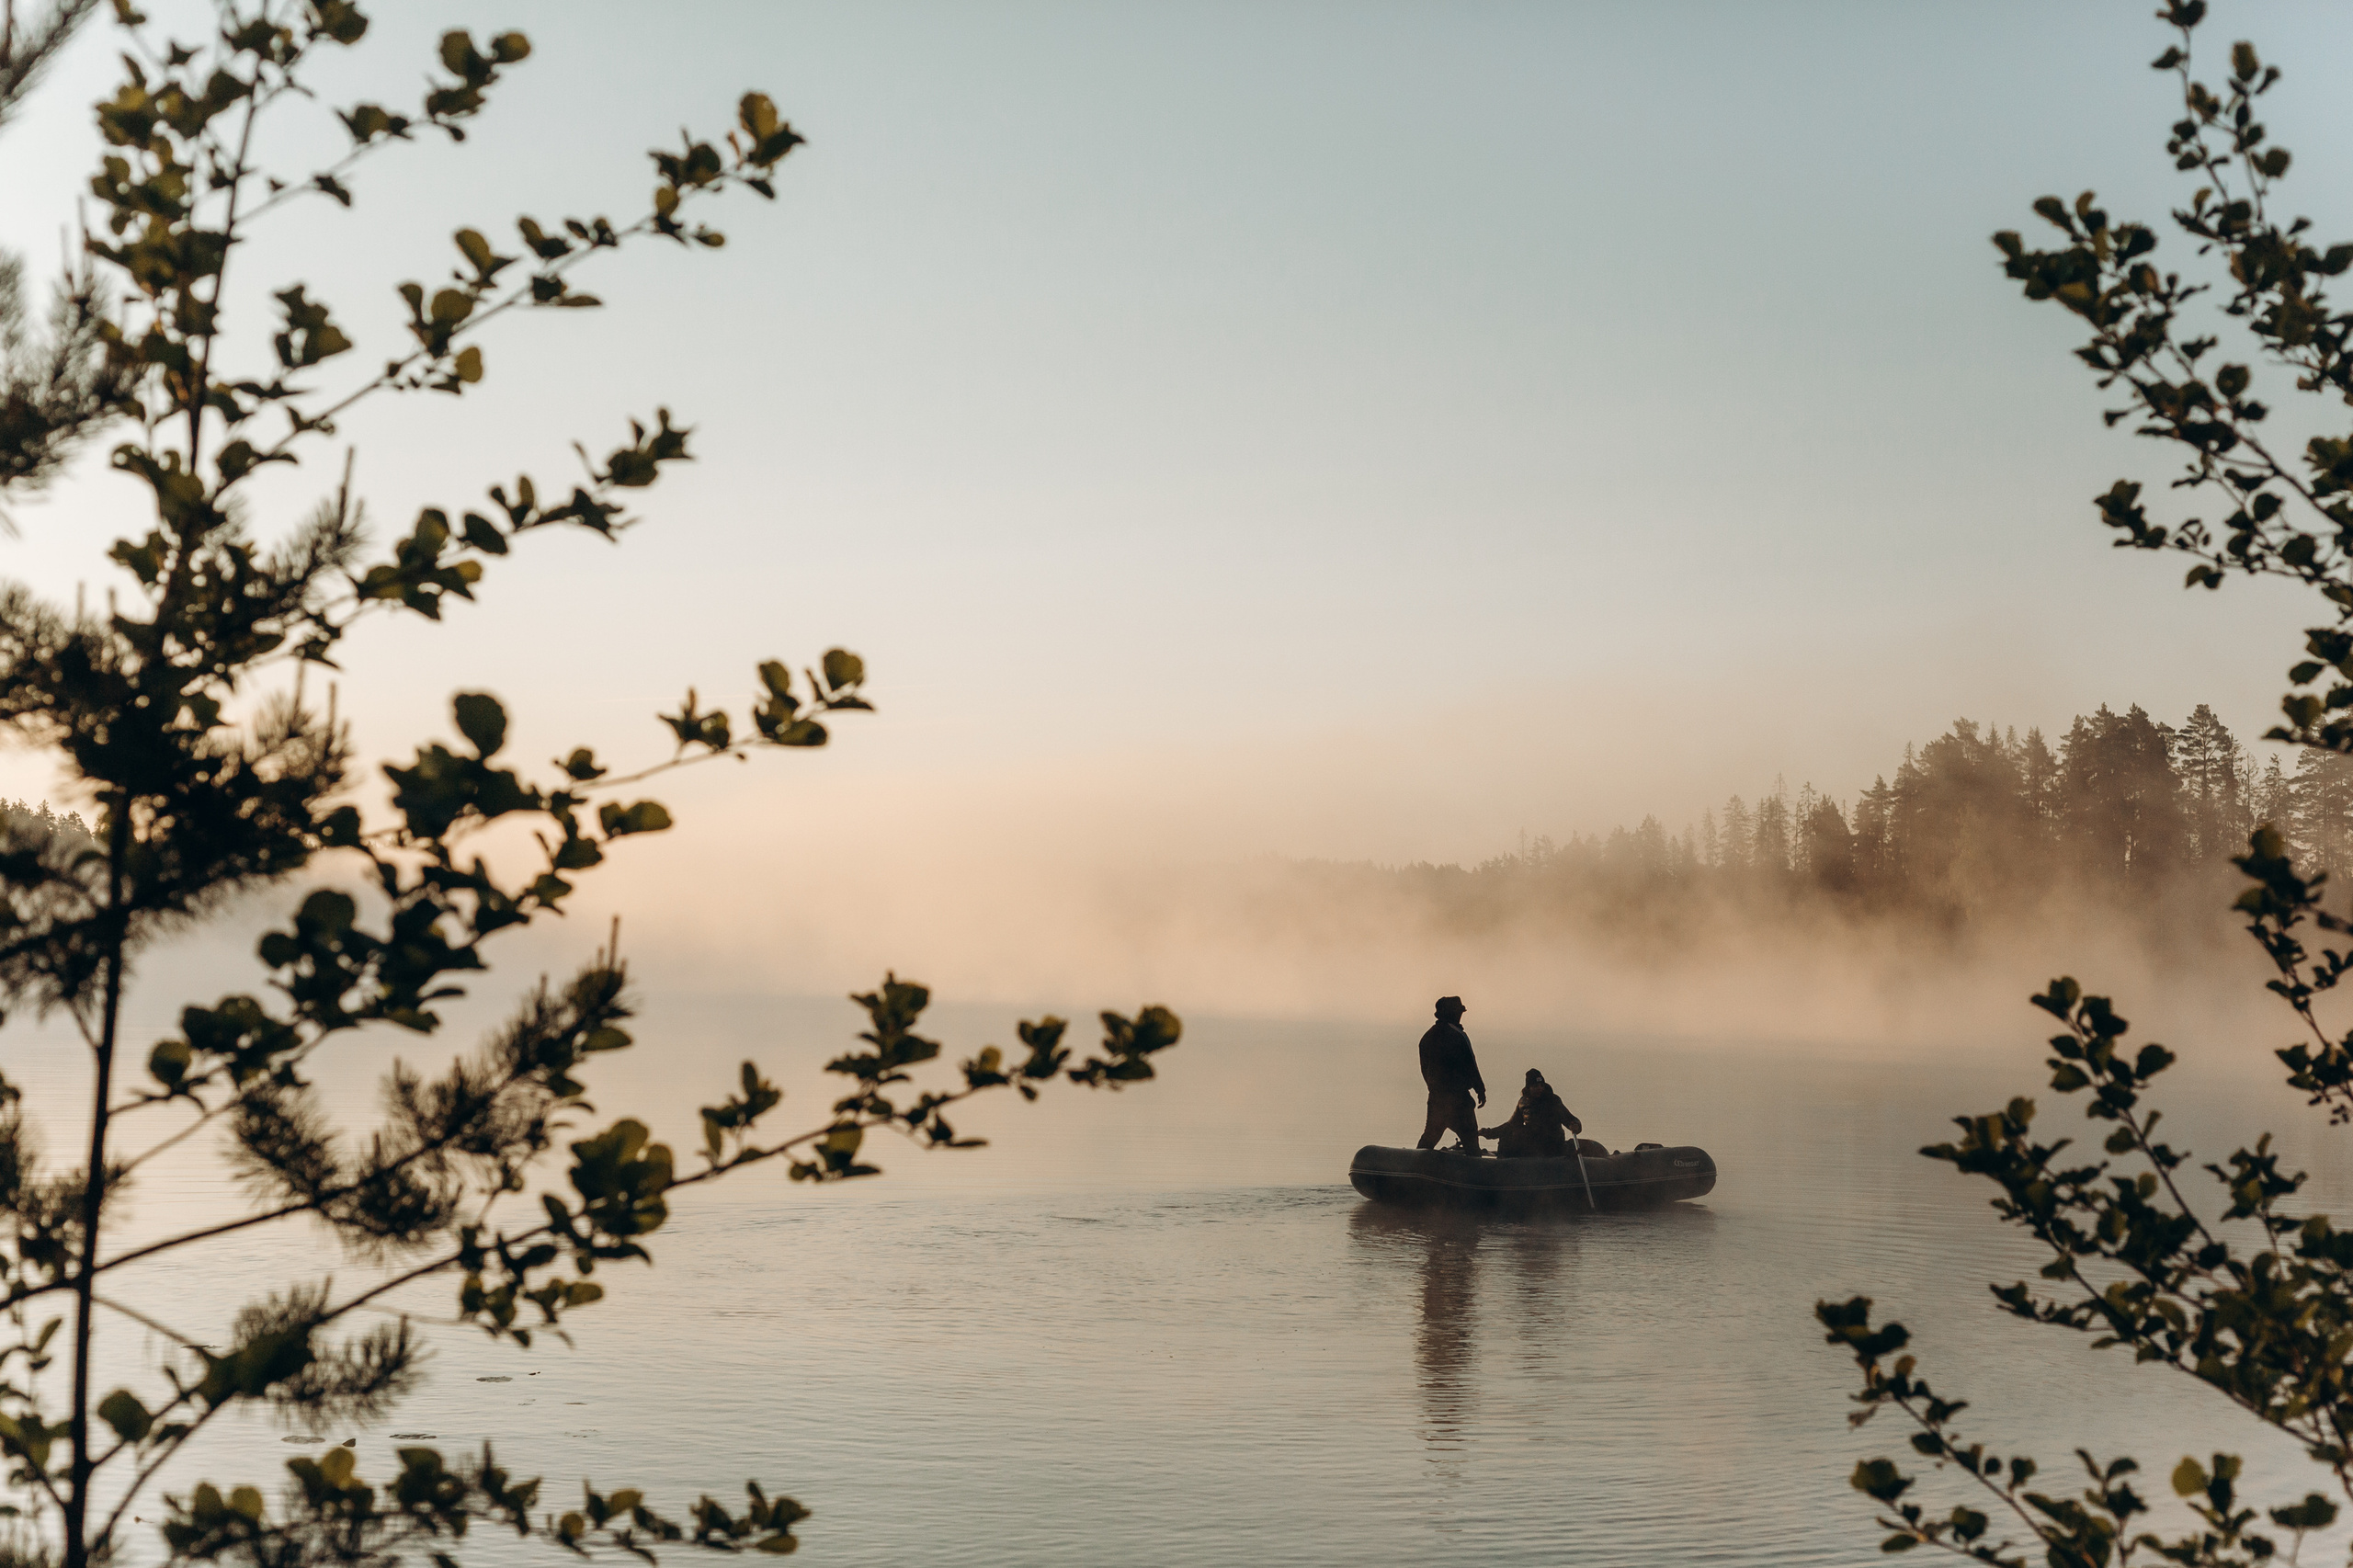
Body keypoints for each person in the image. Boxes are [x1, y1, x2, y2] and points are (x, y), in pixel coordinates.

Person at [1415, 995, 1485, 1153]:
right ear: (1453, 1014)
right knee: (1471, 1141)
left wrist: (1434, 1089)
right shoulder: (1459, 1036)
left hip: (1436, 1098)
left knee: (1429, 1138)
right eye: (1459, 1012)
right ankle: (1475, 1174)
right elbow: (1471, 1065)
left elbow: (1424, 1070)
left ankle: (1415, 1167)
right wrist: (1480, 1089)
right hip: (1458, 1100)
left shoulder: (1426, 1038)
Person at [1482, 1069, 1584, 1159]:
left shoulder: (1553, 1101)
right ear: (1529, 1088)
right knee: (1508, 1135)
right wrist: (1490, 1133)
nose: (1539, 1088)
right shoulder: (1523, 1103)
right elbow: (1511, 1125)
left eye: (1541, 1085)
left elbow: (1570, 1119)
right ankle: (1503, 1164)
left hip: (1552, 1142)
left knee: (1524, 1136)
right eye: (1535, 1086)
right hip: (1533, 1142)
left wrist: (1575, 1125)